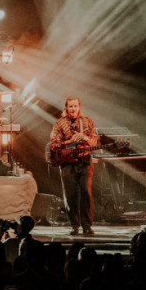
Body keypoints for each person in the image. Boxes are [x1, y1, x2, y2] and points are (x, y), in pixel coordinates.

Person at [49, 97, 98, 235]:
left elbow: (94, 141)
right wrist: (70, 141)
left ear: (79, 107)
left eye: (75, 106)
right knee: (70, 196)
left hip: (85, 161)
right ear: (66, 108)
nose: (73, 109)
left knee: (86, 193)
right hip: (67, 163)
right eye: (70, 106)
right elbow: (53, 144)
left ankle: (87, 226)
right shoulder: (60, 123)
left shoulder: (87, 121)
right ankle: (74, 226)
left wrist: (84, 138)